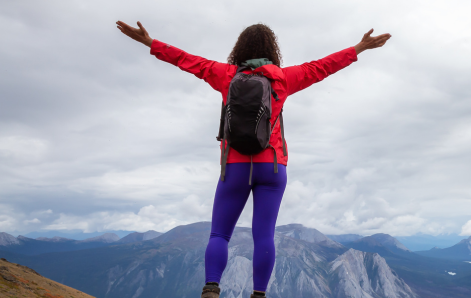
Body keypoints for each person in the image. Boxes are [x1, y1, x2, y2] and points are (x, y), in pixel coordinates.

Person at [115, 20, 390, 298]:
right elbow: (323, 67)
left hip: (234, 166)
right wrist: (359, 48)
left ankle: (211, 289)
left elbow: (187, 60)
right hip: (271, 166)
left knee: (220, 235)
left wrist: (150, 42)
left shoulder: (224, 75)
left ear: (239, 49)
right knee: (264, 237)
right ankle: (259, 294)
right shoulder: (283, 78)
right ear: (273, 50)